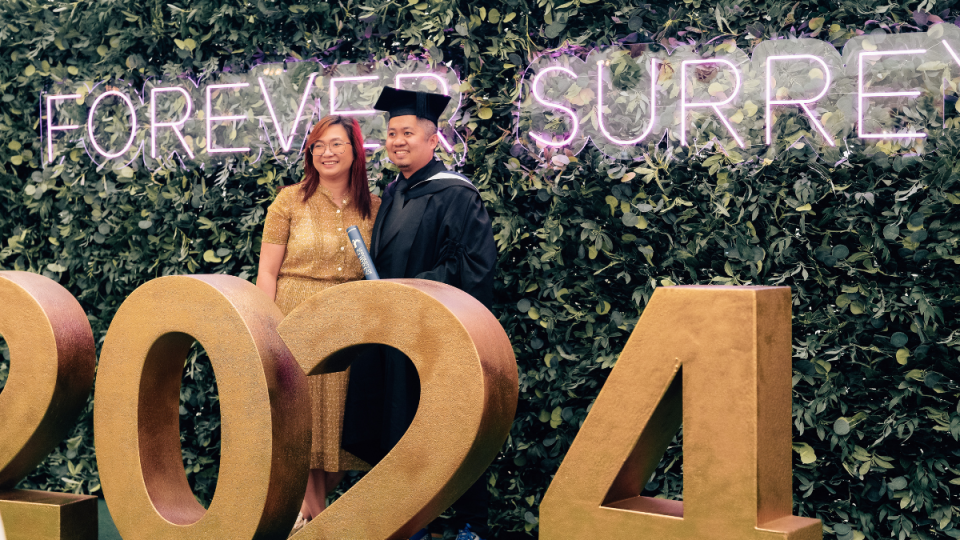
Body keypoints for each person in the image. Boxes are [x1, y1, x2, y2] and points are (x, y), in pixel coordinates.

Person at [341, 87, 498, 538]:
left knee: (450, 425)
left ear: (433, 139)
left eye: (407, 132)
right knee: (398, 424)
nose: (397, 141)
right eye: (391, 133)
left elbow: (474, 265)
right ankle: (410, 520)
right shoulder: (392, 194)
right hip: (395, 334)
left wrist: (411, 291)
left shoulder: (456, 195)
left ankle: (469, 524)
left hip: (436, 332)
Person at [256, 115, 381, 530]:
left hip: (349, 325)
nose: (326, 153)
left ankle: (303, 512)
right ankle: (319, 520)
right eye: (317, 146)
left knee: (343, 429)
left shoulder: (375, 206)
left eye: (336, 144)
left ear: (355, 151)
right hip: (295, 320)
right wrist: (264, 329)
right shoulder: (289, 200)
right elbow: (267, 273)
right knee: (304, 423)